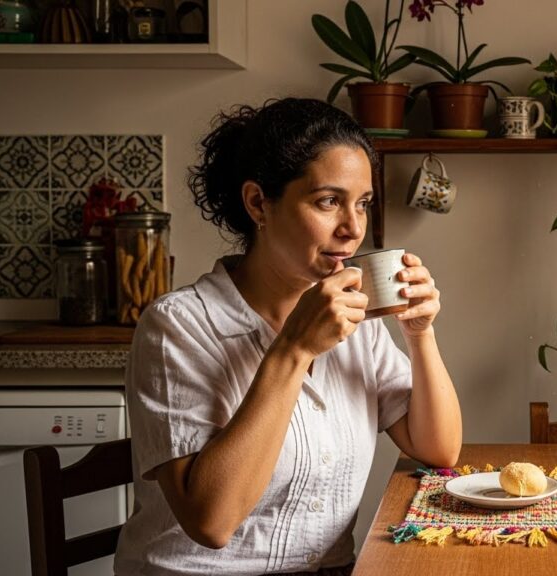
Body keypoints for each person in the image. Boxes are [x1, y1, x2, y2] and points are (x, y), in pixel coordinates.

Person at [114, 98, 462, 576]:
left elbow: (438, 449)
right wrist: (294, 349)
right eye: (328, 201)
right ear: (259, 202)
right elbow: (211, 523)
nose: (353, 228)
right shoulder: (177, 326)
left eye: (362, 203)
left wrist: (420, 334)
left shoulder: (357, 320)